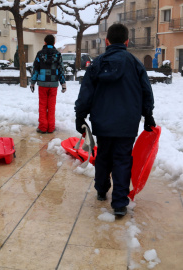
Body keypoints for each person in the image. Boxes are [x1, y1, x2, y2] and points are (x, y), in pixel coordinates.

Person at [75, 24, 156, 216]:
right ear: (127, 42)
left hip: (102, 122)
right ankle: (119, 203)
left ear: (106, 41)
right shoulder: (135, 63)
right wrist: (148, 115)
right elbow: (146, 92)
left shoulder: (97, 63)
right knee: (122, 159)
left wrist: (80, 116)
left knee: (103, 155)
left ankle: (101, 190)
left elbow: (85, 93)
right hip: (127, 123)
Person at [30, 34, 66, 133]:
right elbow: (61, 70)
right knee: (51, 106)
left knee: (42, 105)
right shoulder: (58, 54)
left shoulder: (40, 54)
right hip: (54, 84)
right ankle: (51, 127)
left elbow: (36, 69)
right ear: (54, 43)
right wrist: (63, 84)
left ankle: (42, 127)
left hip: (42, 84)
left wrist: (32, 82)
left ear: (45, 42)